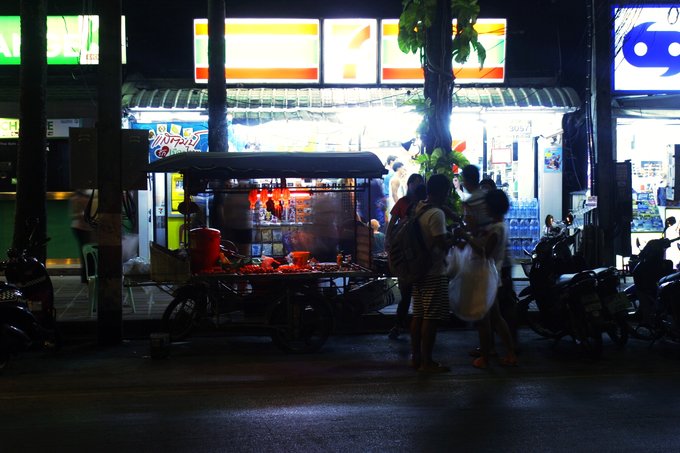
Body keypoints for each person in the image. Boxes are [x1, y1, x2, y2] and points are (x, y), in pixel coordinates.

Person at [461, 189, 517, 368]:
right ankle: (510, 353)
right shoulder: (498, 225)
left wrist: (466, 237)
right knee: (496, 318)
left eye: (486, 204)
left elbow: (484, 252)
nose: (484, 208)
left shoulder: (496, 229)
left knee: (484, 320)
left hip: (486, 277)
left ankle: (485, 358)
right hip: (492, 275)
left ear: (493, 206)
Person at [410, 174, 457, 373]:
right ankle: (427, 362)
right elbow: (441, 244)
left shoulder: (419, 207)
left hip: (418, 269)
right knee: (431, 318)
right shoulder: (436, 214)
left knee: (418, 315)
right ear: (443, 192)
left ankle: (416, 357)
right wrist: (454, 238)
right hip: (433, 270)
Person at [385, 173, 426, 339]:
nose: (416, 186)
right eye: (414, 183)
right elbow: (392, 222)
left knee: (418, 294)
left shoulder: (425, 204)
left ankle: (416, 327)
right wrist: (388, 240)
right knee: (406, 293)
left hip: (420, 252)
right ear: (408, 185)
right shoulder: (403, 202)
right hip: (405, 251)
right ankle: (398, 325)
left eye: (419, 183)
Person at [69, 189, 97, 284]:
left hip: (78, 227)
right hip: (83, 228)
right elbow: (82, 214)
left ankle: (87, 276)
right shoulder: (81, 198)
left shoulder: (75, 197)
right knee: (88, 253)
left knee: (86, 252)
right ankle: (89, 276)